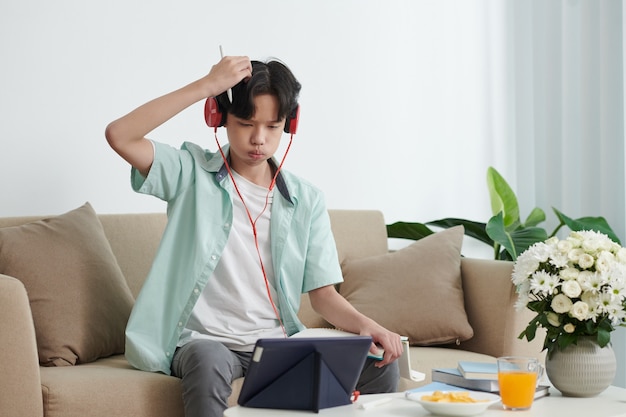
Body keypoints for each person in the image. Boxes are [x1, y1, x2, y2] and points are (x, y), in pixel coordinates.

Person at [105, 54, 401, 417]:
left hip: (278, 346)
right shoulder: (190, 173)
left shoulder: (305, 199)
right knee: (209, 360)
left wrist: (370, 328)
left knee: (381, 364)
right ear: (219, 118)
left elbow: (323, 297)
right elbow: (119, 135)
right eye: (246, 123)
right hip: (205, 343)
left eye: (273, 127)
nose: (259, 139)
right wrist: (207, 87)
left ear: (288, 126)